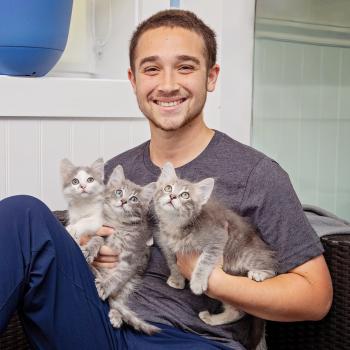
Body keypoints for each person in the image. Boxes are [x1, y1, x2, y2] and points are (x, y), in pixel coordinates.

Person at [0, 9, 332, 350]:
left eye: (185, 67)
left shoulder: (257, 174)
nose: (168, 84)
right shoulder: (121, 172)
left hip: (194, 339)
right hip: (105, 326)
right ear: (134, 81)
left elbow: (315, 296)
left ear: (211, 77)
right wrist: (88, 254)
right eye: (152, 69)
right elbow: (84, 257)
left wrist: (214, 280)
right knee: (21, 214)